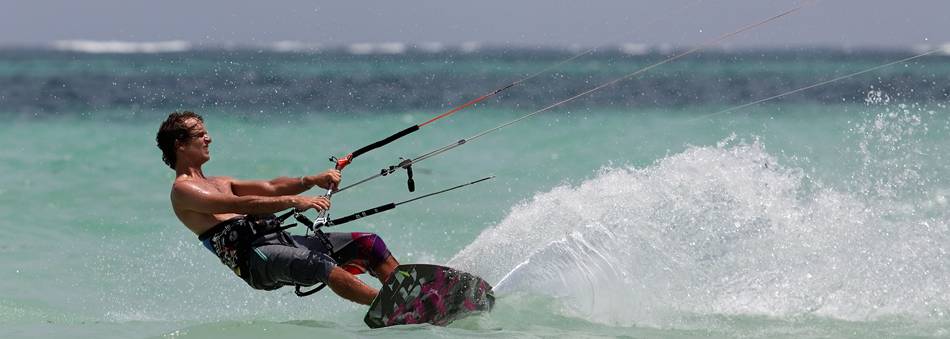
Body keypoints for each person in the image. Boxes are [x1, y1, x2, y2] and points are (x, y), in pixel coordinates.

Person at [156, 111, 398, 305]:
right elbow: (240, 204)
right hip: (256, 259)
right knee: (320, 264)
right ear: (180, 144)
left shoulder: (220, 182)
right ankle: (391, 308)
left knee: (368, 244)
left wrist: (310, 180)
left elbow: (271, 186)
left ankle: (409, 293)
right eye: (200, 134)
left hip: (280, 241)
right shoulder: (182, 190)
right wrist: (294, 201)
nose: (208, 139)